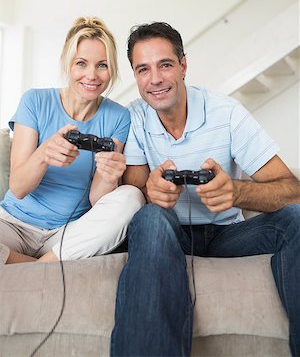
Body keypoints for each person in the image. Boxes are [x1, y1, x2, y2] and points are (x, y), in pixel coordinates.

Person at [110, 22, 300, 357]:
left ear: (183, 66)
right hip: (171, 235)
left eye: (165, 65)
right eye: (143, 69)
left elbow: (292, 190)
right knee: (150, 218)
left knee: (297, 217)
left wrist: (237, 192)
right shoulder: (135, 117)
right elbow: (133, 189)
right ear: (135, 76)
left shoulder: (226, 113)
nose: (154, 79)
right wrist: (150, 190)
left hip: (228, 234)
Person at [0, 16, 144, 265]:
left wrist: (110, 177)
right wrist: (44, 154)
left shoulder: (119, 117)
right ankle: (44, 268)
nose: (92, 75)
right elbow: (19, 188)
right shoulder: (34, 101)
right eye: (81, 63)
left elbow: (98, 201)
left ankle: (33, 265)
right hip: (13, 224)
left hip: (67, 235)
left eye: (102, 65)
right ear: (67, 64)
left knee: (131, 196)